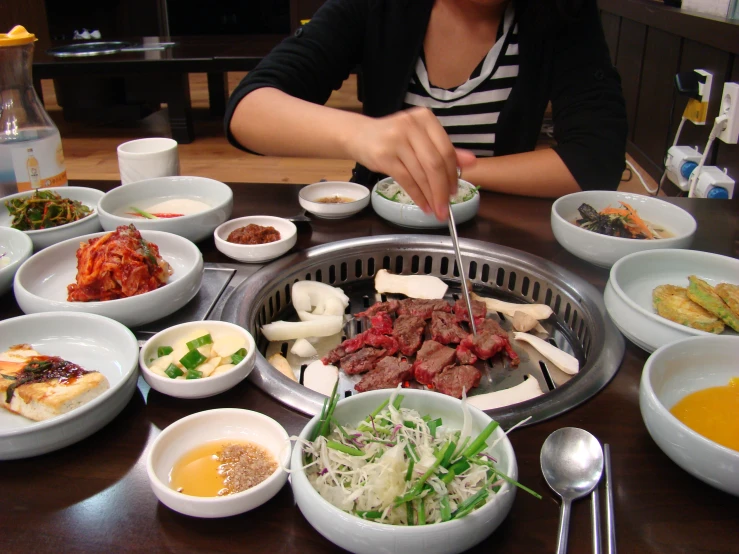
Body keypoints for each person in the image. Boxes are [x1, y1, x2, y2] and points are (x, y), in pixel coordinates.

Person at [225, 0, 627, 221]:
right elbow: (248, 109)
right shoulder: (375, 8)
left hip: (497, 227)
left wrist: (447, 171)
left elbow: (596, 161)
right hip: (378, 221)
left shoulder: (563, 13)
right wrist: (360, 134)